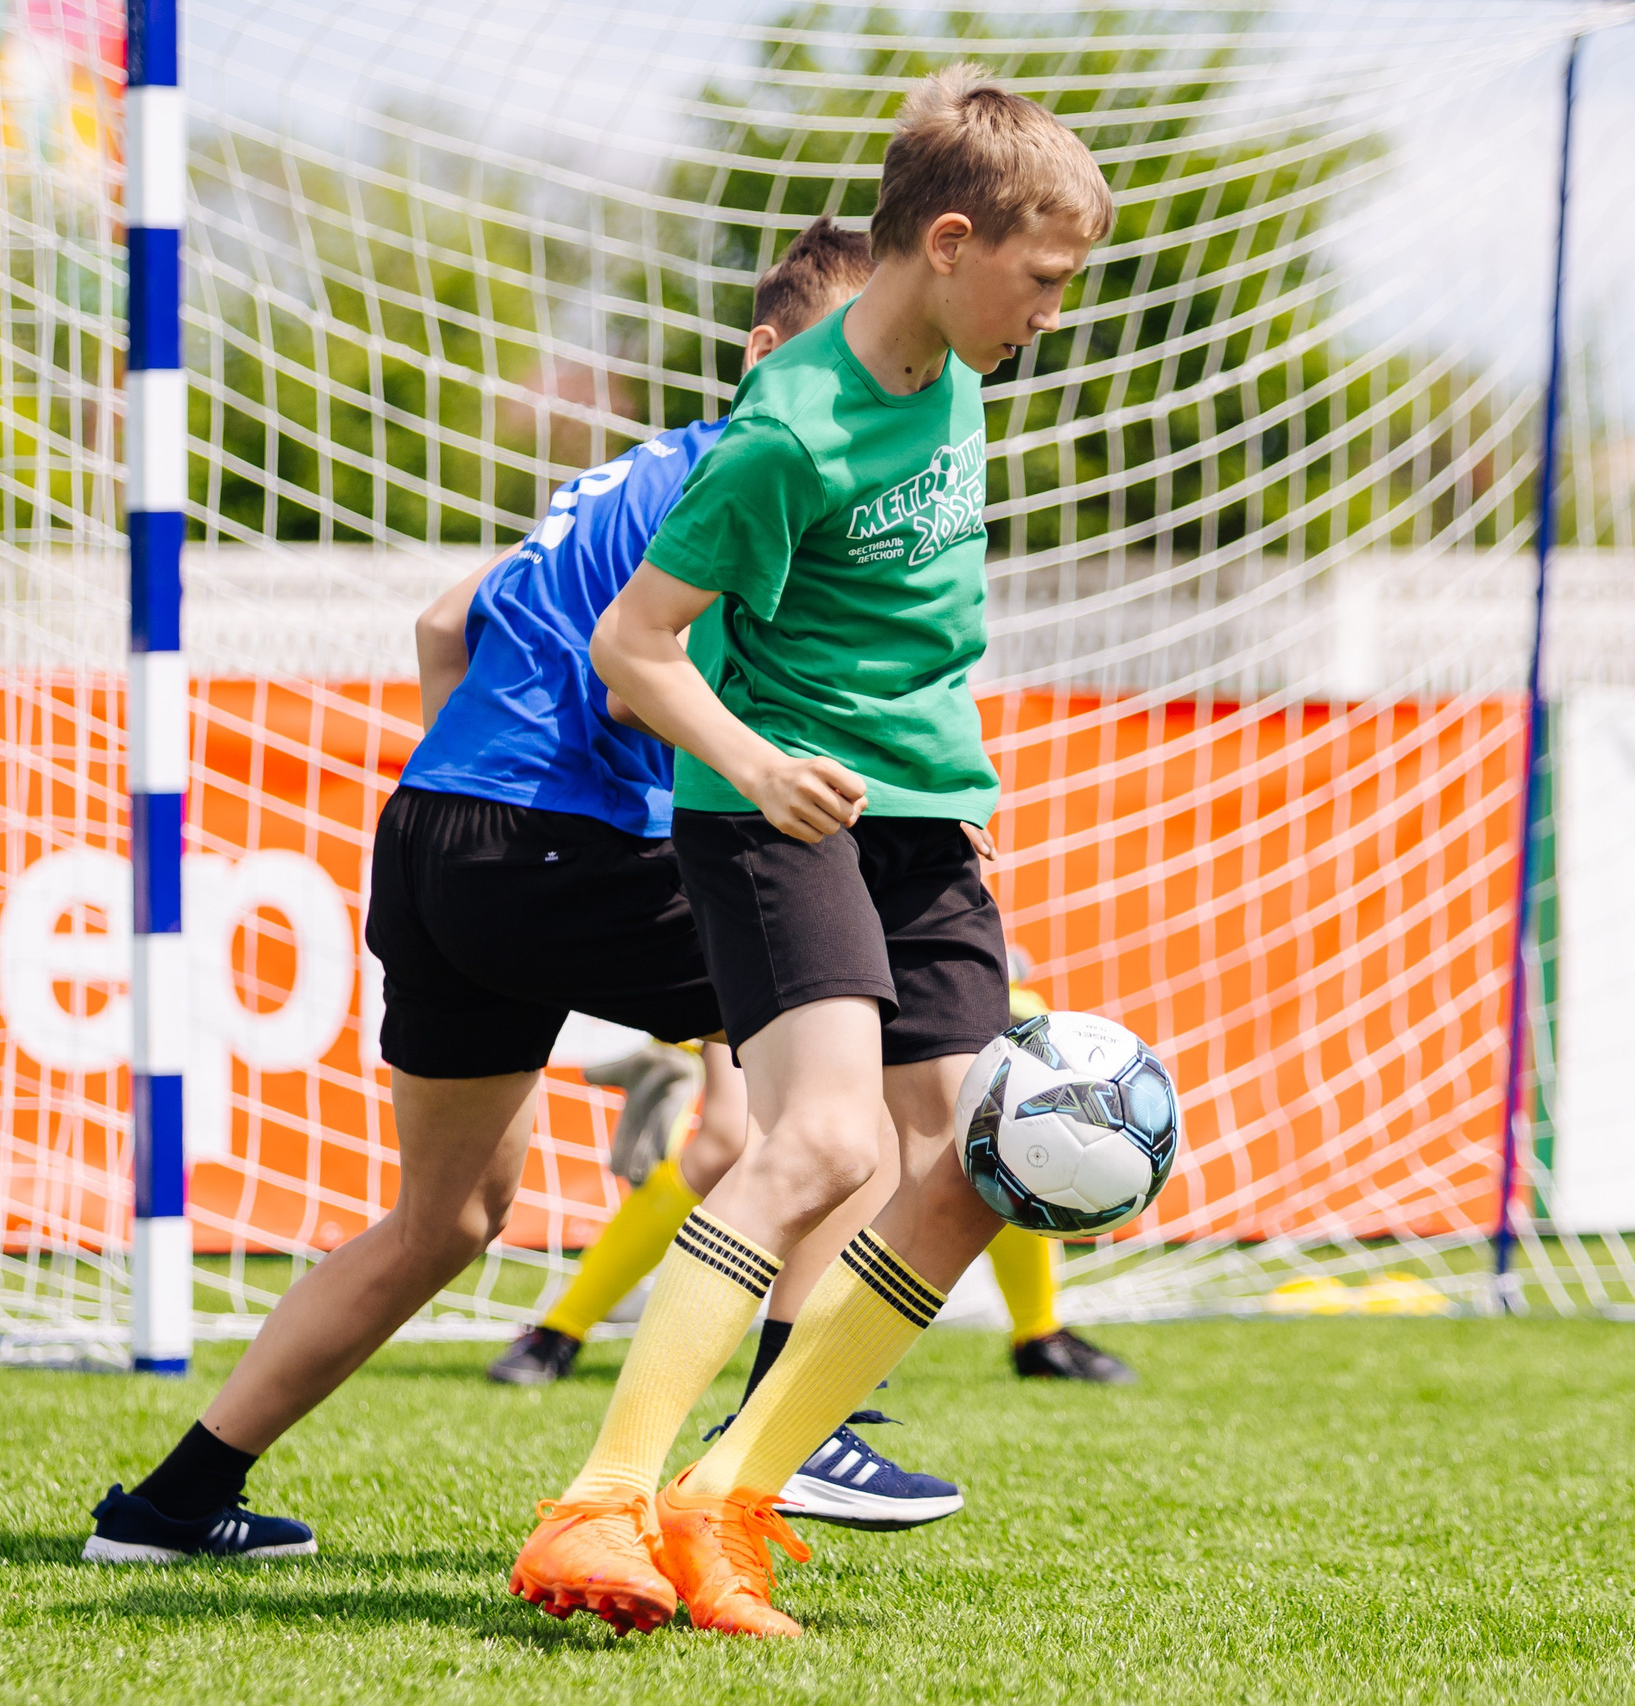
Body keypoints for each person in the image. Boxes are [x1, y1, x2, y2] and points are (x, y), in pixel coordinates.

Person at [80, 218, 957, 1566]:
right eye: (858, 348)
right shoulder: (761, 470)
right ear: (768, 353)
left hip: (436, 830)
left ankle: (171, 1504)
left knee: (450, 1222)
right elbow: (627, 679)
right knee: (863, 1042)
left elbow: (446, 620)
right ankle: (805, 1418)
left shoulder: (632, 471)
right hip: (555, 840)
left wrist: (480, 798)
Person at [508, 66, 1113, 1638]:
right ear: (956, 244)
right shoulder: (785, 432)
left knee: (991, 1161)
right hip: (777, 819)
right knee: (827, 1147)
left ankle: (732, 1498)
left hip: (928, 829)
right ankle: (603, 1498)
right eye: (1043, 279)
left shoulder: (962, 364)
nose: (1056, 311)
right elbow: (634, 645)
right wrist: (763, 765)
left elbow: (941, 155)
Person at [491, 966, 1137, 1393]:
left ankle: (1038, 1335)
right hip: (793, 957)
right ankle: (560, 1330)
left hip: (903, 952)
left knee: (994, 1125)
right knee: (725, 1146)